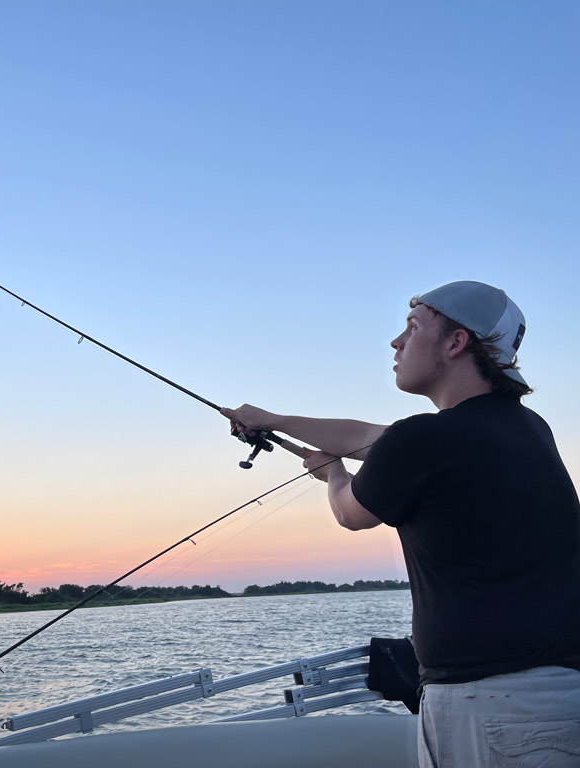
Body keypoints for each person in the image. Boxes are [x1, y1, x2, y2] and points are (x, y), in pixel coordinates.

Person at [222, 281, 580, 767]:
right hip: (556, 694)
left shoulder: (426, 439)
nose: (396, 342)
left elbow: (351, 512)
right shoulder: (527, 427)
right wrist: (273, 419)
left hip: (491, 706)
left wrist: (332, 474)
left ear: (456, 343)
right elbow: (370, 436)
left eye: (412, 328)